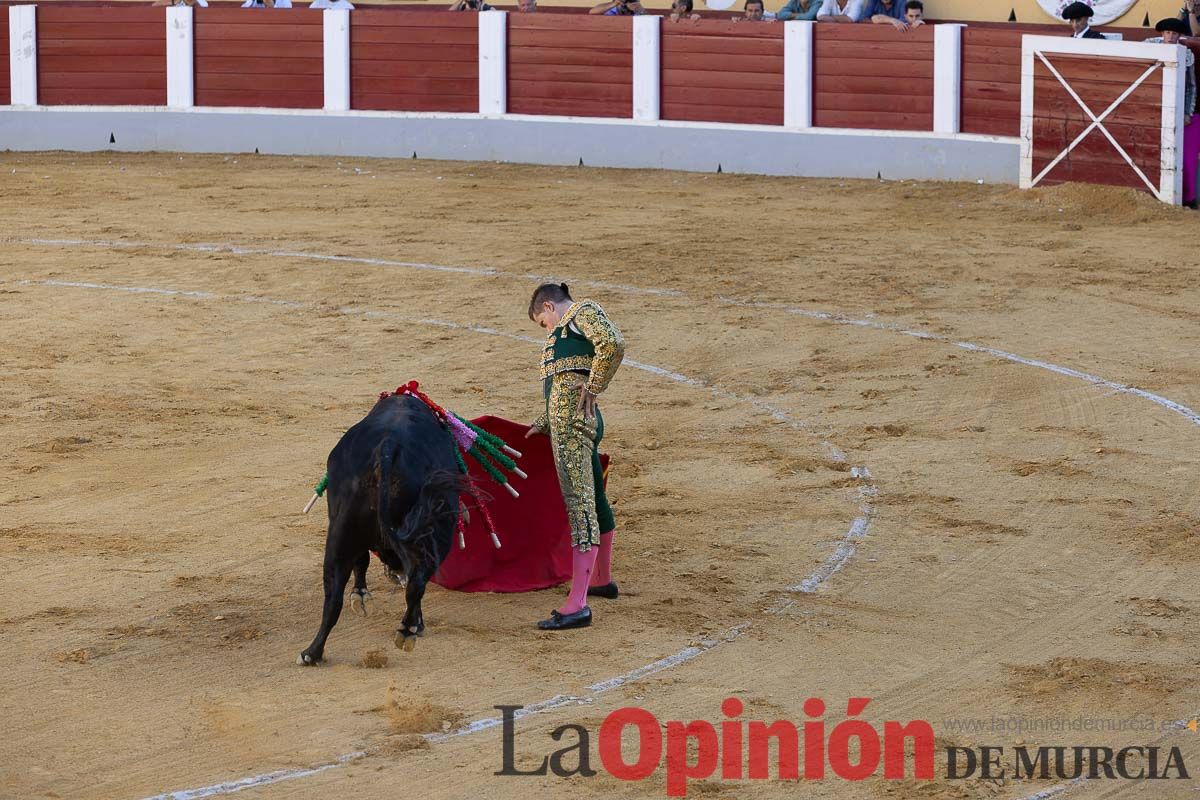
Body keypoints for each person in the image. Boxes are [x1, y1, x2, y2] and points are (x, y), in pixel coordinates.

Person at [525, 283, 625, 631]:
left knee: (579, 505)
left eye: (543, 322)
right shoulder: (568, 329)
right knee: (594, 499)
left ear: (549, 306)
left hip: (573, 431)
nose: (546, 330)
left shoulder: (580, 313)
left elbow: (612, 343)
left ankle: (577, 604)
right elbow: (565, 383)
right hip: (572, 424)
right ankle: (601, 580)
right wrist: (544, 421)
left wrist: (595, 386)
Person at [1148, 18, 1198, 208]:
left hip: (1177, 107)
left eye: (1174, 34)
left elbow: (1191, 87)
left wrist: (1187, 112)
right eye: (1167, 33)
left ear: (1179, 36)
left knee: (1184, 153)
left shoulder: (1187, 54)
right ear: (1162, 34)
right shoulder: (1149, 47)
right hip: (1153, 106)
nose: (1170, 37)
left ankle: (1187, 197)